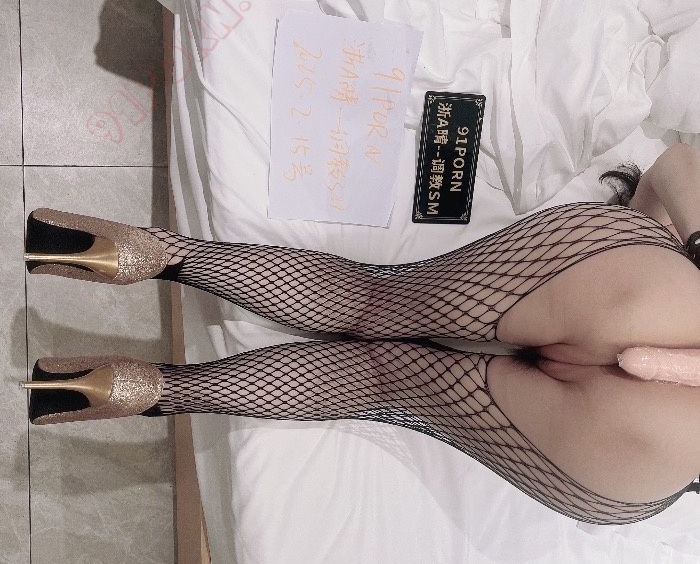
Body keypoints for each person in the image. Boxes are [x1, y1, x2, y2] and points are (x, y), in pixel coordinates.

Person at [21, 143, 700, 525]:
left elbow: (678, 164)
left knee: (376, 302)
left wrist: (656, 239)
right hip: (650, 452)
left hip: (658, 300)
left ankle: (149, 253)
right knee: (379, 381)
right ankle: (145, 389)